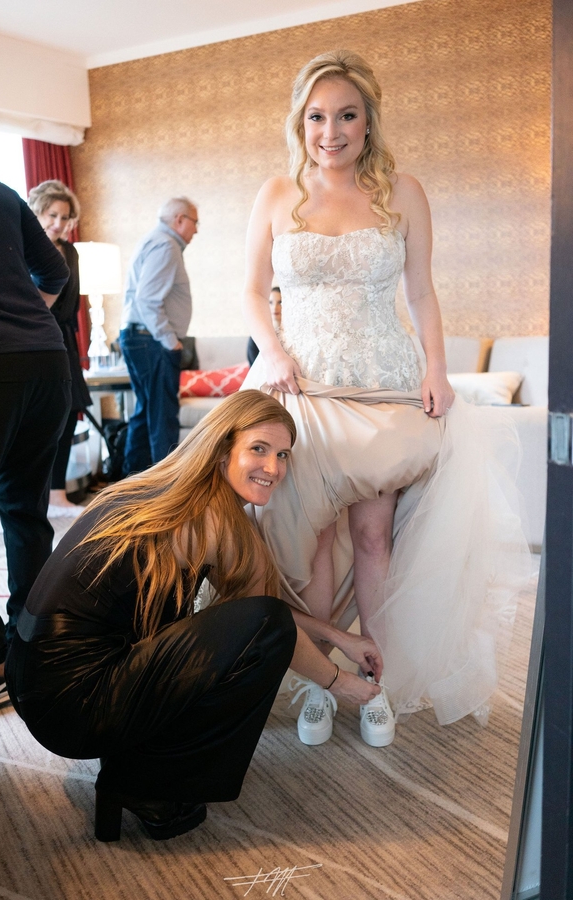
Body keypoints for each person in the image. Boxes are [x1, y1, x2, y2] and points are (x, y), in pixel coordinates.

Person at [242, 50, 530, 747]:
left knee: (374, 539)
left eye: (346, 115)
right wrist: (271, 350)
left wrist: (438, 369)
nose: (331, 131)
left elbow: (422, 292)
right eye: (317, 117)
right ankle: (320, 680)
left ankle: (379, 683)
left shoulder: (403, 192)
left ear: (368, 121)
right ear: (301, 122)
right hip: (302, 391)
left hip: (384, 389)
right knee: (311, 544)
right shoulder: (276, 193)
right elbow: (250, 291)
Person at [5, 390, 382, 841]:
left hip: (33, 679)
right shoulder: (210, 518)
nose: (273, 467)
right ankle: (150, 786)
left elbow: (257, 608)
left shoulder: (160, 490)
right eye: (258, 449)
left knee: (247, 624)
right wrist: (340, 684)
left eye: (282, 454)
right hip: (73, 705)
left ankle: (134, 762)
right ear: (222, 449)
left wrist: (339, 637)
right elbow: (268, 624)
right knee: (264, 633)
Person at [0, 170, 71, 719]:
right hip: (46, 360)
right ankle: (31, 652)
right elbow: (54, 271)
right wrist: (19, 322)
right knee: (25, 513)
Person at [119, 197, 198, 476]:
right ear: (179, 219)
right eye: (195, 222)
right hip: (151, 341)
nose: (196, 230)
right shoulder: (166, 245)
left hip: (140, 338)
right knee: (163, 417)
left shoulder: (154, 240)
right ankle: (167, 489)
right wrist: (170, 341)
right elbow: (147, 299)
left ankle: (132, 485)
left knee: (146, 413)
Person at [28, 180, 92, 517]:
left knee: (67, 415)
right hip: (34, 340)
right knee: (37, 421)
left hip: (64, 340)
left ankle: (57, 495)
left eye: (65, 217)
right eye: (52, 215)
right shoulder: (24, 247)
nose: (59, 223)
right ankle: (30, 498)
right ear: (37, 213)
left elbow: (72, 304)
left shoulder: (71, 252)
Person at [247, 286, 282, 366]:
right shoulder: (256, 335)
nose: (275, 307)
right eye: (271, 302)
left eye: (280, 302)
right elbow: (252, 364)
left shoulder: (292, 335)